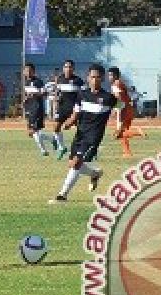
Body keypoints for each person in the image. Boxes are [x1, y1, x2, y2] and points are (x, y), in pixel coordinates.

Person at [49, 64, 116, 204]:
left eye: (98, 77)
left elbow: (124, 106)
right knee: (73, 164)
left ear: (102, 78)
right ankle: (95, 173)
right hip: (80, 134)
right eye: (92, 77)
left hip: (93, 138)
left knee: (76, 163)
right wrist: (69, 122)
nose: (95, 80)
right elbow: (76, 113)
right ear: (88, 78)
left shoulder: (109, 98)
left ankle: (62, 195)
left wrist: (122, 121)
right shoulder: (82, 95)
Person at [108, 66, 146, 158]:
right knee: (124, 131)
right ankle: (127, 152)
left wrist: (115, 110)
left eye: (110, 75)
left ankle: (137, 131)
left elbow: (118, 98)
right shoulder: (121, 83)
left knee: (118, 134)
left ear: (116, 75)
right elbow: (130, 89)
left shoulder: (115, 85)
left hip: (123, 110)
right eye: (108, 75)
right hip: (129, 109)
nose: (109, 77)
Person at [49, 60, 83, 160]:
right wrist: (55, 104)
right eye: (66, 67)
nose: (68, 69)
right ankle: (61, 147)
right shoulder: (59, 79)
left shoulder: (78, 81)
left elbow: (83, 95)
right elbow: (56, 93)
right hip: (62, 108)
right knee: (56, 127)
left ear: (73, 69)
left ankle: (88, 150)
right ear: (63, 68)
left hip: (74, 109)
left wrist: (79, 109)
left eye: (70, 67)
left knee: (82, 130)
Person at [21, 63, 50, 156]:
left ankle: (43, 151)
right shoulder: (26, 83)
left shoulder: (38, 82)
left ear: (33, 72)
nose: (28, 72)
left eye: (30, 71)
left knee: (34, 130)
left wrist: (36, 95)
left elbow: (45, 93)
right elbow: (28, 95)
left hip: (37, 109)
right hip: (30, 108)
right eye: (26, 70)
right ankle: (53, 140)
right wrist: (25, 101)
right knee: (31, 132)